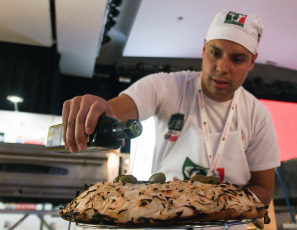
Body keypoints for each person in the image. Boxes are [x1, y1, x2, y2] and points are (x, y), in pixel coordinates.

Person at [62, 9, 280, 228]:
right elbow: (114, 110)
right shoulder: (166, 86)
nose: (222, 68)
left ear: (252, 61)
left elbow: (264, 189)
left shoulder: (257, 115)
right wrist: (99, 111)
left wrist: (211, 203)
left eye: (238, 59)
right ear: (204, 49)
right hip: (163, 222)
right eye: (215, 53)